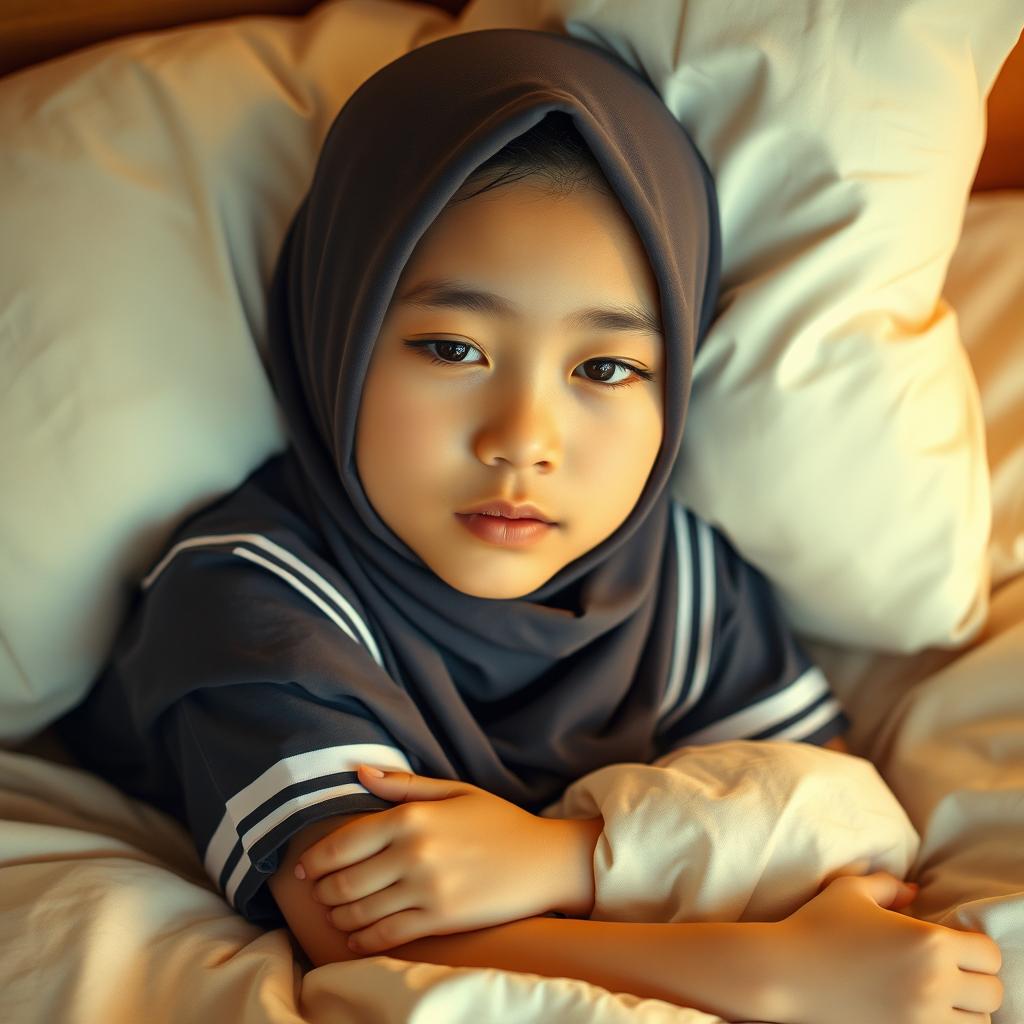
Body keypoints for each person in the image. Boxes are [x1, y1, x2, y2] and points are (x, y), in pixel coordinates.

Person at [54, 27, 1003, 1023]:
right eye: (453, 347)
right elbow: (366, 929)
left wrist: (566, 859)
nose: (522, 440)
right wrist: (772, 974)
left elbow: (827, 821)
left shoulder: (672, 577)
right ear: (335, 331)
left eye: (604, 369)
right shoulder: (252, 602)